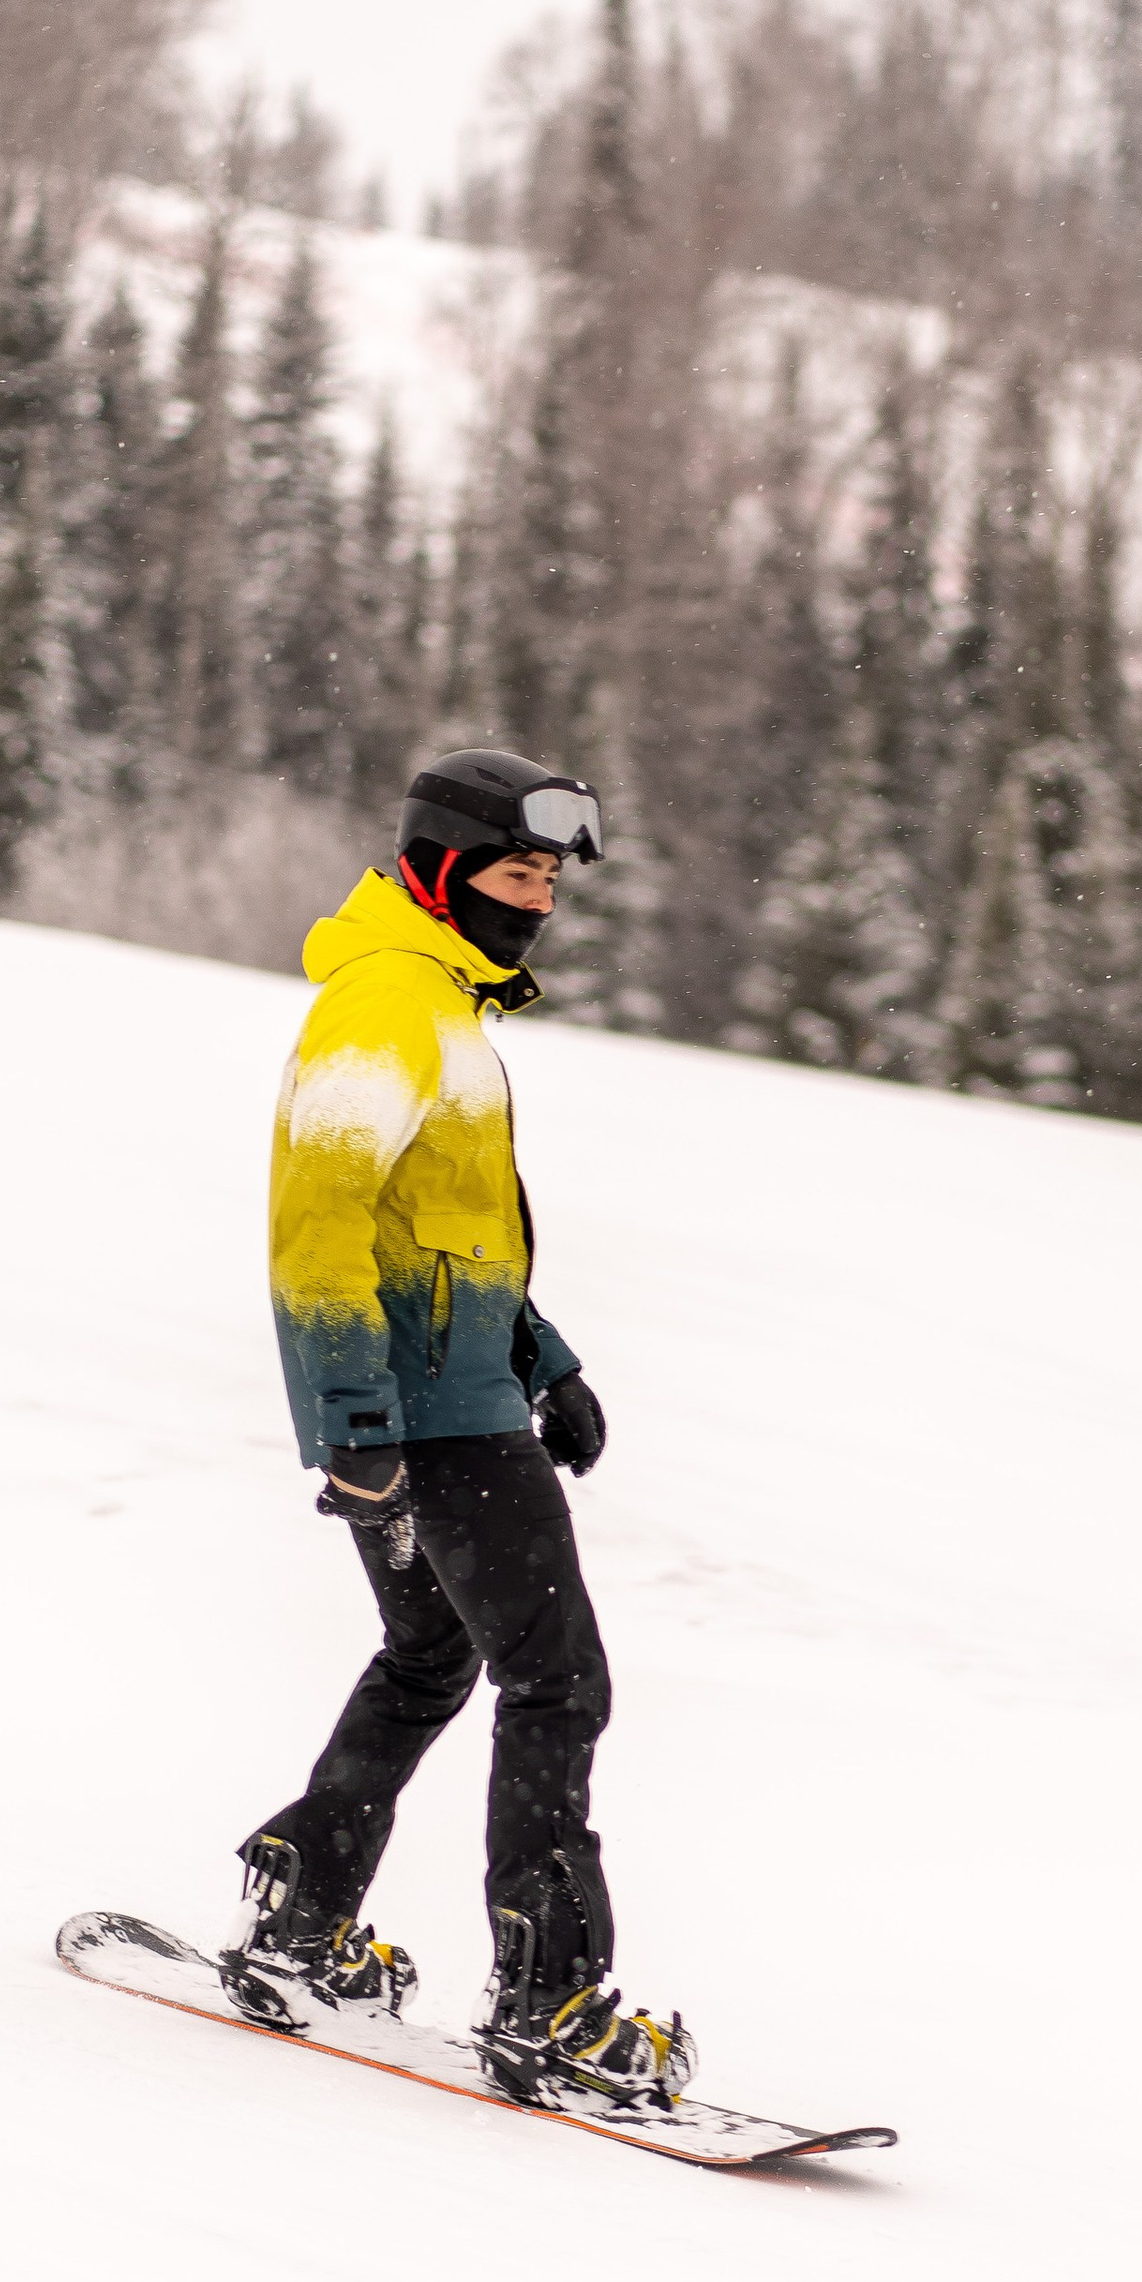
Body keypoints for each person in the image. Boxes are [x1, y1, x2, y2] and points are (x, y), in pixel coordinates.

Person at [225, 747, 691, 2102]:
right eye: (512, 871)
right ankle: (553, 1994)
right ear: (441, 871)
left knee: (430, 1654)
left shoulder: (441, 1007)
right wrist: (356, 1420)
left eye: (549, 878)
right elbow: (319, 1226)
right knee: (558, 1679)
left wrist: (545, 1359)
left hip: (459, 1394)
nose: (536, 899)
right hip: (430, 1415)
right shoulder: (386, 1006)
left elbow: (448, 1232)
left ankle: (305, 1898)